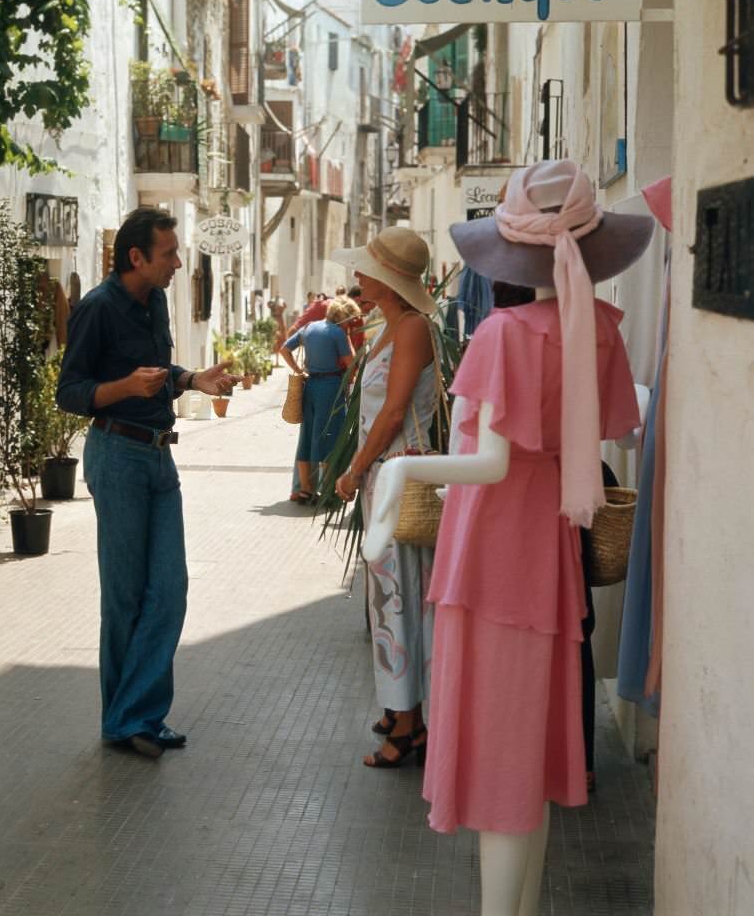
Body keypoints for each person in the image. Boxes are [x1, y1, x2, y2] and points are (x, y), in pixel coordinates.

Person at [361, 161, 653, 915]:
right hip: (546, 555)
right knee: (527, 752)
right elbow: (609, 433)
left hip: (491, 558)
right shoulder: (601, 333)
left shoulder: (503, 332)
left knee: (499, 759)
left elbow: (488, 463)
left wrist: (397, 478)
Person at [57, 207, 239, 759]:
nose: (178, 264)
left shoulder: (155, 301)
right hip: (116, 455)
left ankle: (135, 714)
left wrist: (193, 379)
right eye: (168, 255)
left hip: (160, 458)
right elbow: (70, 393)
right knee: (125, 595)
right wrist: (123, 388)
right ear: (136, 257)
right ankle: (128, 719)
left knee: (170, 590)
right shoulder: (96, 309)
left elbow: (159, 375)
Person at [331, 227, 440, 768]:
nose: (356, 275)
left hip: (397, 473)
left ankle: (409, 721)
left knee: (400, 594)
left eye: (365, 268)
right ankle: (401, 710)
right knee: (388, 594)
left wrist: (355, 468)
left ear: (389, 280)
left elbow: (394, 413)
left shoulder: (412, 328)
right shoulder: (390, 324)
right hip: (386, 476)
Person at [279, 295, 358, 503]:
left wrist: (298, 370)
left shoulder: (309, 328)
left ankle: (306, 489)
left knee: (306, 437)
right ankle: (328, 488)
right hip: (331, 388)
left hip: (310, 386)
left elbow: (284, 349)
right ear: (344, 316)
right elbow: (351, 365)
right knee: (330, 437)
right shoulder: (337, 333)